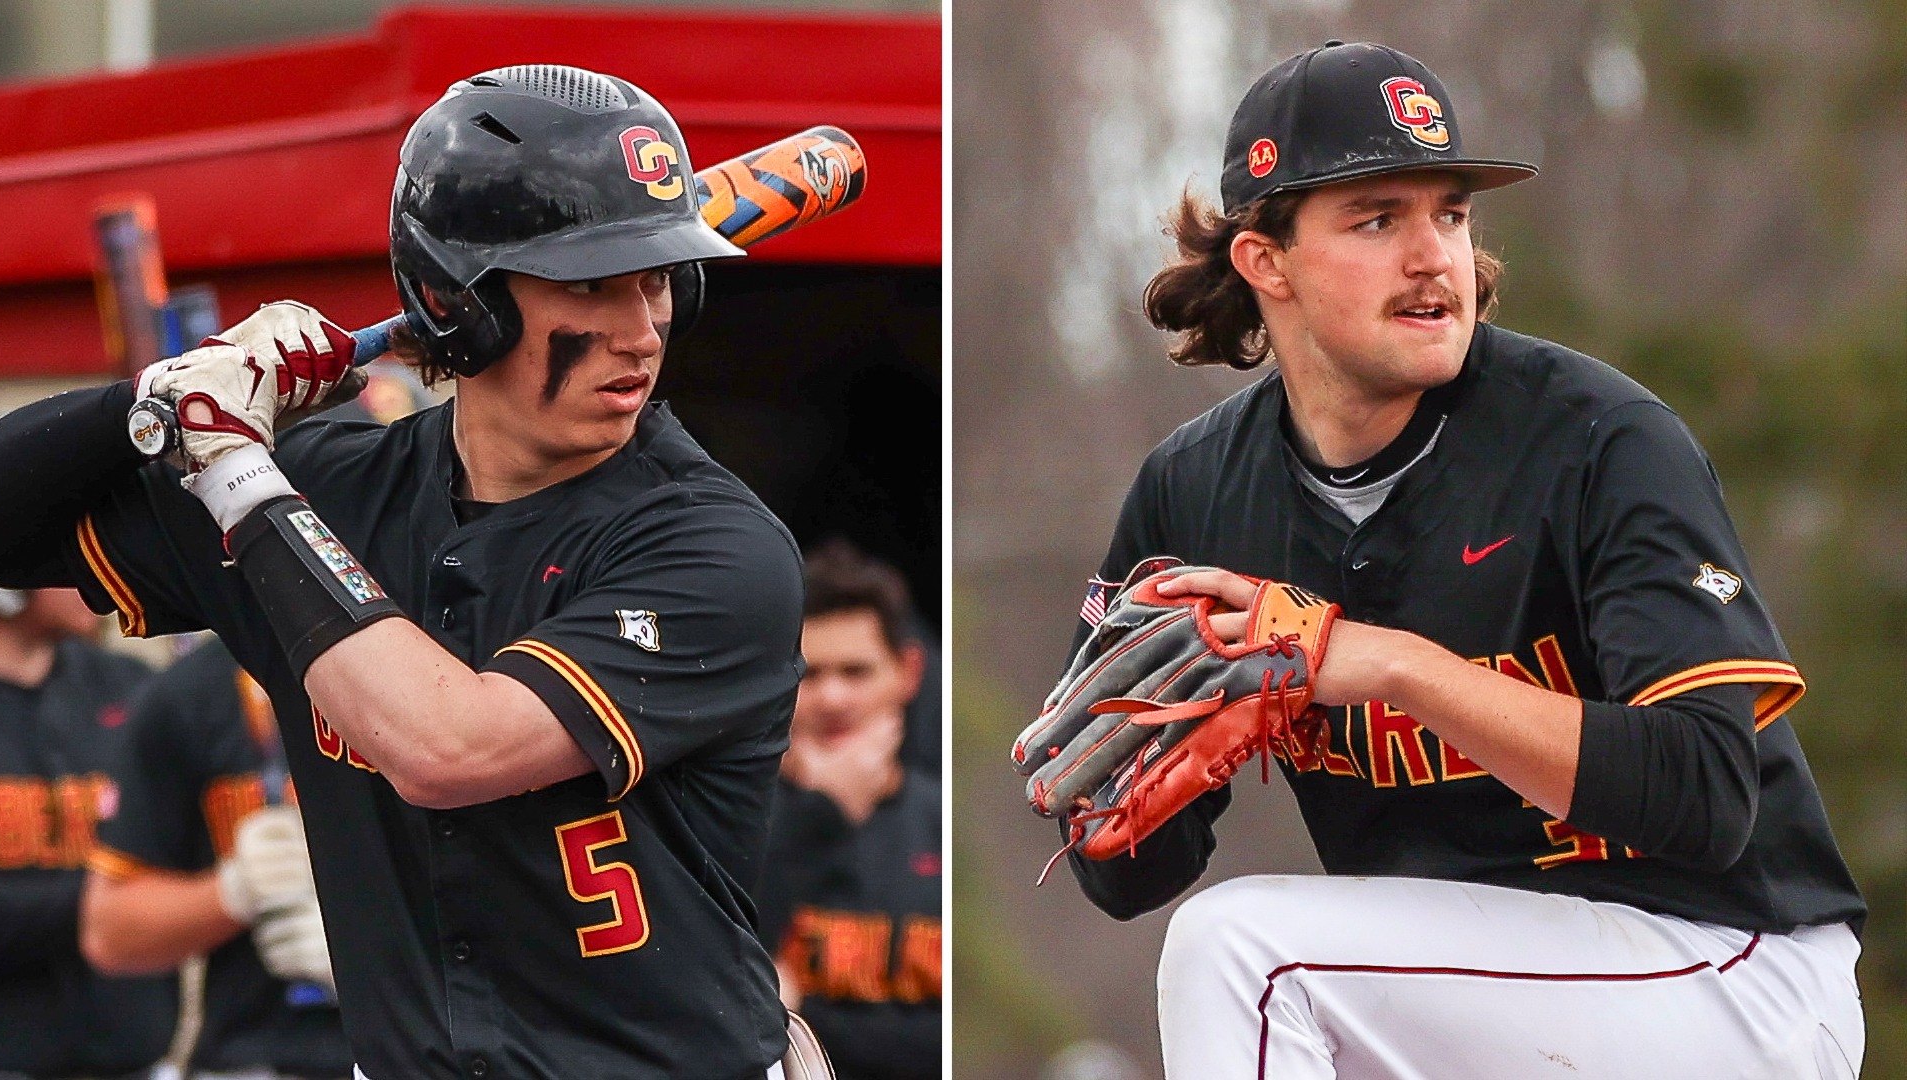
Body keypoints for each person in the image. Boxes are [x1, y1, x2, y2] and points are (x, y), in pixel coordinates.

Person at [1054, 41, 1866, 1079]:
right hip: (1481, 992)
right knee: (1258, 976)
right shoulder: (1197, 494)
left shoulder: (1598, 437)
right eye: (1378, 218)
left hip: (1729, 966)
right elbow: (1125, 881)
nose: (1434, 253)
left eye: (1450, 211)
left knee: (1246, 956)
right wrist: (1121, 793)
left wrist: (1388, 665)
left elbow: (1709, 797)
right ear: (1266, 262)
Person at [0, 64, 803, 1080]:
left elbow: (448, 747)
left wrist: (241, 474)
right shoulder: (330, 481)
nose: (641, 332)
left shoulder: (716, 545)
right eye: (592, 284)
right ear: (457, 303)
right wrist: (158, 399)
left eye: (658, 280)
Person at [81, 636, 351, 1080]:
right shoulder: (189, 694)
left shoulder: (443, 666)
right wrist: (234, 890)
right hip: (257, 1051)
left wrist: (368, 957)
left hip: (422, 1048)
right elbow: (108, 933)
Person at [758, 539, 941, 1080]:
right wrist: (822, 811)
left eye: (856, 672)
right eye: (808, 675)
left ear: (908, 673)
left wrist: (797, 1013)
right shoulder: (724, 823)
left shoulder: (941, 825)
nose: (832, 698)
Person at [0, 586, 177, 1079]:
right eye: (65, 566)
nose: (94, 582)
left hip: (138, 1056)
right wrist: (119, 909)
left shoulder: (133, 687)